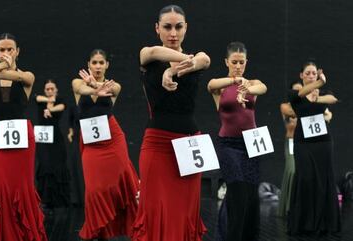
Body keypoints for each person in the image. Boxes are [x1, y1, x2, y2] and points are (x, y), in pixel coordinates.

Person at [132, 5, 211, 241]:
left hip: (189, 145)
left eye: (178, 27)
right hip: (157, 145)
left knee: (184, 214)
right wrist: (177, 66)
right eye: (167, 27)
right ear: (157, 28)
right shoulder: (147, 55)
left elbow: (204, 60)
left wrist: (174, 71)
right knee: (155, 212)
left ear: (186, 28)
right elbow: (156, 52)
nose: (173, 33)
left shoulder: (197, 57)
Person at [0, 33, 47, 241]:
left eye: (10, 49)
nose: (6, 53)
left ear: (17, 52)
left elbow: (19, 77)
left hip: (22, 137)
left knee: (21, 186)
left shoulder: (27, 76)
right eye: (2, 49)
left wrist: (1, 67)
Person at [72, 49, 139, 241]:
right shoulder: (78, 82)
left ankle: (134, 225)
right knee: (94, 189)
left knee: (119, 183)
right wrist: (93, 88)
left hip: (113, 140)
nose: (98, 66)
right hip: (91, 144)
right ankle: (98, 230)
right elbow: (80, 89)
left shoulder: (114, 86)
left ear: (107, 65)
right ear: (88, 64)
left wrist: (98, 86)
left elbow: (113, 90)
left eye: (102, 63)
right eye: (94, 63)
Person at [207, 41, 267, 241]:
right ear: (227, 62)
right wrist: (234, 81)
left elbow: (263, 87)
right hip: (228, 146)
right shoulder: (221, 88)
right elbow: (211, 84)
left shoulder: (252, 84)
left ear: (246, 62)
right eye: (234, 62)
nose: (238, 66)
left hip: (251, 145)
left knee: (250, 197)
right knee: (238, 192)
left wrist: (246, 87)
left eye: (242, 62)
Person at [287, 61, 340, 235]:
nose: (311, 76)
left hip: (323, 143)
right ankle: (304, 224)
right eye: (308, 73)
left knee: (324, 180)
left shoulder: (323, 93)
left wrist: (318, 95)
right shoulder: (296, 94)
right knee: (306, 179)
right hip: (303, 143)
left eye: (314, 73)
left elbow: (332, 99)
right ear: (301, 75)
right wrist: (318, 84)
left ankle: (325, 224)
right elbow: (300, 95)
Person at [35, 79, 70, 212]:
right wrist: (49, 101)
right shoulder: (39, 99)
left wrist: (51, 108)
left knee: (57, 165)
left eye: (52, 89)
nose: (49, 91)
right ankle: (45, 200)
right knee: (44, 165)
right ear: (44, 90)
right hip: (43, 137)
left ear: (56, 90)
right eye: (47, 89)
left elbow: (61, 107)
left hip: (55, 137)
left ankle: (59, 201)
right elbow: (37, 98)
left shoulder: (61, 100)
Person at [277, 81, 302, 217]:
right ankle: (288, 207)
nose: (298, 93)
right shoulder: (286, 106)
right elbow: (291, 123)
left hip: (305, 143)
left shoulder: (307, 104)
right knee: (292, 171)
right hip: (291, 142)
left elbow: (328, 114)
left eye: (301, 90)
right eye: (295, 91)